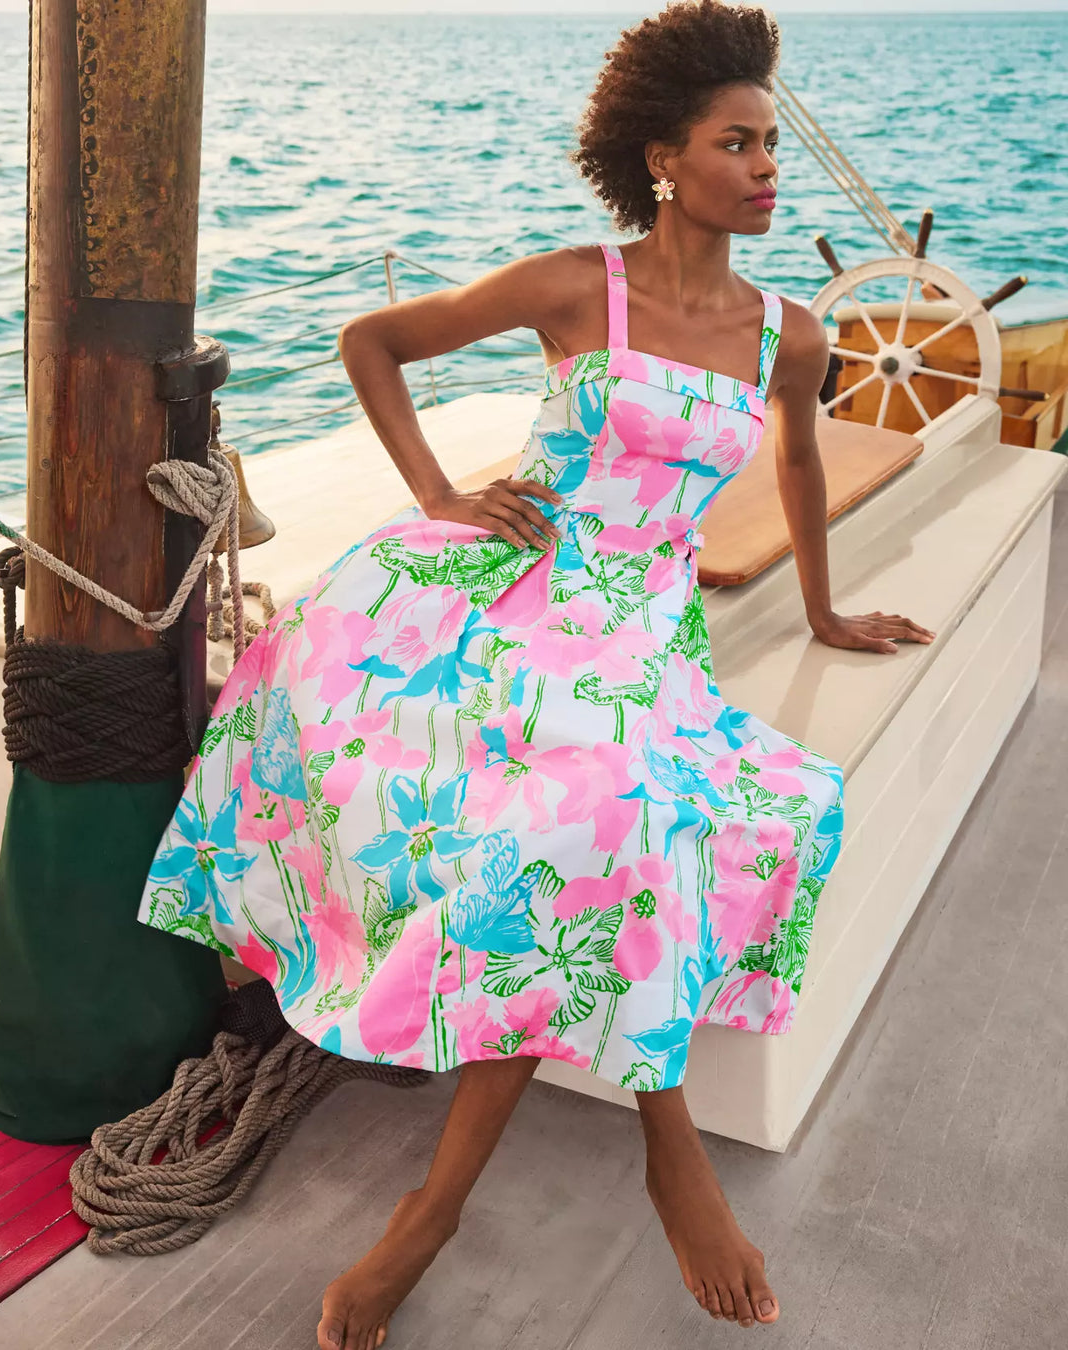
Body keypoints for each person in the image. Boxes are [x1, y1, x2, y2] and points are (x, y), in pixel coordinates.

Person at [137, 2, 935, 1346]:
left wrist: (824, 607)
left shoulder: (788, 334)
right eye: (736, 144)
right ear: (663, 161)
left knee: (607, 813)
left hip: (641, 622)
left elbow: (799, 461)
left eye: (770, 145)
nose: (766, 169)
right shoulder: (579, 287)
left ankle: (438, 1212)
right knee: (576, 822)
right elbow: (371, 342)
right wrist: (440, 494)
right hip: (506, 594)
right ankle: (655, 1147)